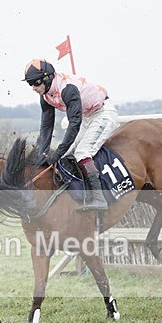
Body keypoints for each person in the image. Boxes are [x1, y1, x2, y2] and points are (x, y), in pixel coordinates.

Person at [23, 59, 119, 211]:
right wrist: (43, 153)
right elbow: (46, 127)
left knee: (82, 152)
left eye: (35, 83)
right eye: (30, 84)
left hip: (103, 114)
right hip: (87, 117)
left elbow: (74, 124)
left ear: (47, 78)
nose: (33, 88)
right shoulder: (46, 96)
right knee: (65, 154)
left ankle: (100, 198)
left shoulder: (67, 89)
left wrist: (58, 152)